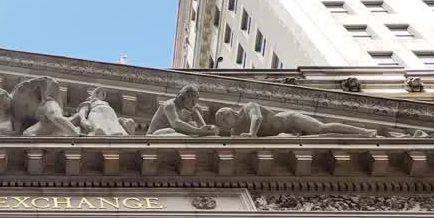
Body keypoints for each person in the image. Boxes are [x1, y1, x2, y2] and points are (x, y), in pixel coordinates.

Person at [214, 102, 378, 138]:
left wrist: (251, 134)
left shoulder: (248, 107)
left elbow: (257, 117)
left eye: (225, 121)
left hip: (290, 121)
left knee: (321, 129)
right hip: (284, 134)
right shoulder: (236, 131)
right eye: (224, 125)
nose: (227, 126)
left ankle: (365, 132)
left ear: (230, 113)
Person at [148, 84, 217, 136]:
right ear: (184, 97)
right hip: (155, 136)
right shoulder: (169, 105)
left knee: (191, 125)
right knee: (171, 131)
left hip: (170, 135)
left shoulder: (189, 110)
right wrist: (198, 130)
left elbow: (202, 128)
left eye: (195, 101)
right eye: (192, 101)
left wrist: (210, 129)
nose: (194, 104)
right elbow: (176, 124)